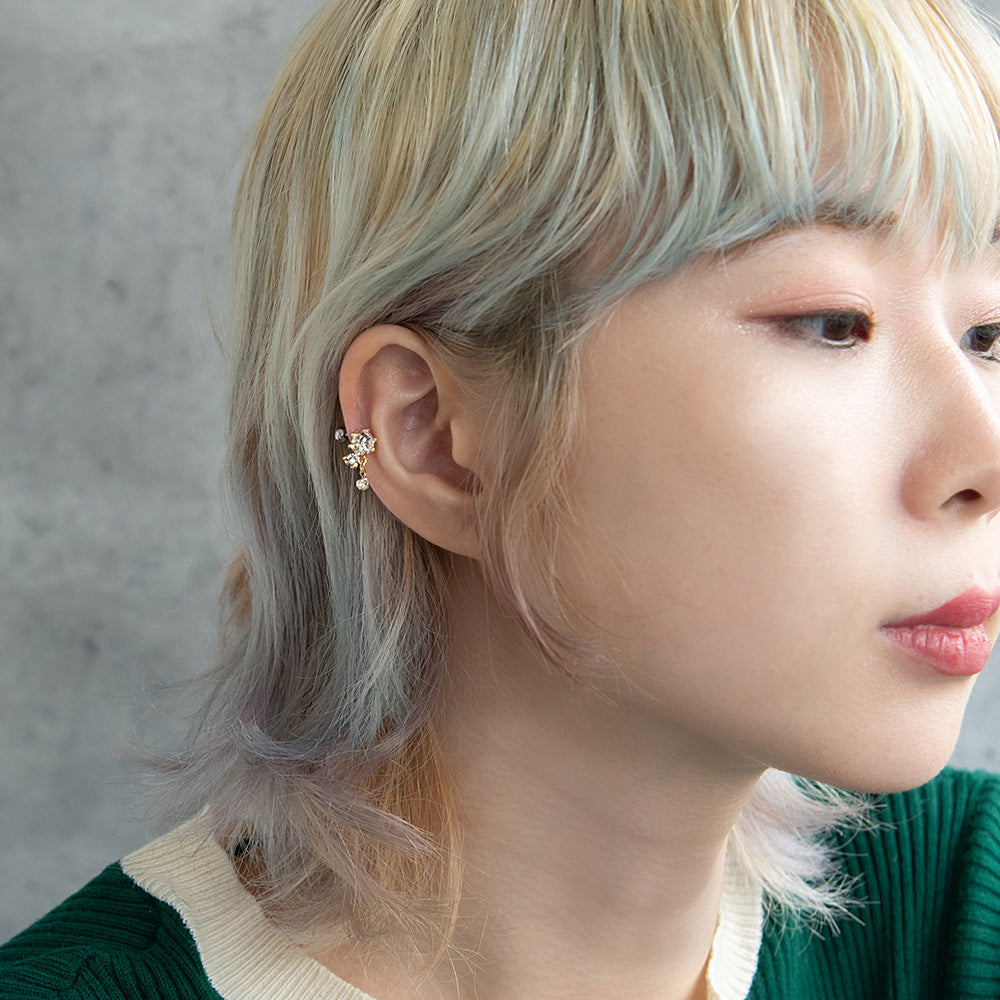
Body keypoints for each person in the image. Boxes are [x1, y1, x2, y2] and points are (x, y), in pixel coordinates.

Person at [4, 0, 1000, 997]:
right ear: (432, 438)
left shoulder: (963, 904)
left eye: (986, 335)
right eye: (832, 322)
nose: (983, 455)